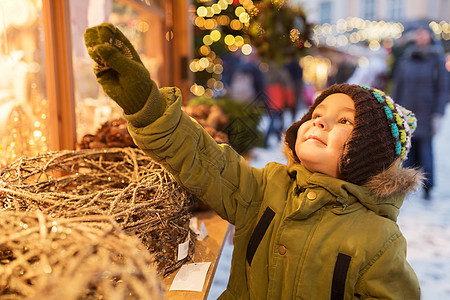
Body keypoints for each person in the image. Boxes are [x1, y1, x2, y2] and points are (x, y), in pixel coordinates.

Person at [84, 23, 422, 299]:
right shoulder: (265, 189)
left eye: (344, 121)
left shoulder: (378, 240)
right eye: (317, 113)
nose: (319, 121)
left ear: (371, 151)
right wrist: (146, 103)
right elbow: (202, 158)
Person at [393, 26, 449, 199]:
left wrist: (438, 114)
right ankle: (406, 186)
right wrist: (394, 109)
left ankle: (428, 188)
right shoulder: (406, 59)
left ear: (430, 37)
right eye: (418, 33)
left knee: (425, 151)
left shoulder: (437, 60)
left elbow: (443, 89)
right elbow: (398, 87)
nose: (420, 36)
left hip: (427, 112)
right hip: (406, 111)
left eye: (423, 33)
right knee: (407, 150)